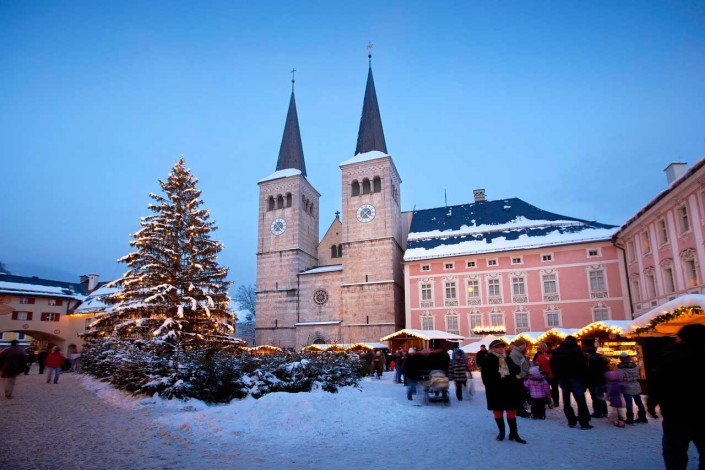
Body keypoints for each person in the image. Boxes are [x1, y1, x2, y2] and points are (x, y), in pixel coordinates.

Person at [648, 323, 705, 469]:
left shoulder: (670, 356)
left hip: (675, 413)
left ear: (682, 338)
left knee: (674, 453)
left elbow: (658, 383)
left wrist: (652, 402)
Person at [480, 339, 526, 444]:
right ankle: (502, 432)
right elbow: (486, 378)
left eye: (502, 347)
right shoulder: (488, 359)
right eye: (498, 347)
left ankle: (514, 433)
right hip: (496, 390)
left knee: (511, 411)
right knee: (498, 411)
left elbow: (516, 369)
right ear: (493, 349)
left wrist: (512, 368)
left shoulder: (507, 358)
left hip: (509, 389)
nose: (501, 349)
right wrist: (498, 380)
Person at [549, 335, 593, 430]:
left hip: (563, 378)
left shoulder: (557, 351)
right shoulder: (577, 350)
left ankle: (571, 421)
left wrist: (558, 376)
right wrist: (584, 380)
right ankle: (584, 422)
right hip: (576, 378)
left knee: (566, 400)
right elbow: (583, 367)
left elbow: (552, 364)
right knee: (580, 400)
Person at [617, 351, 647, 424]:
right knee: (639, 402)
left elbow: (620, 378)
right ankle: (643, 417)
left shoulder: (620, 368)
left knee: (629, 403)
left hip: (626, 386)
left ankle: (630, 418)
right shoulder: (634, 366)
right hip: (635, 385)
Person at [509, 338, 531, 418]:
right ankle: (519, 410)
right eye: (524, 345)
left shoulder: (519, 353)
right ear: (520, 346)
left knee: (522, 394)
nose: (525, 346)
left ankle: (520, 410)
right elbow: (517, 366)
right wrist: (522, 374)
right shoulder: (515, 353)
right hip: (518, 376)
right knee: (521, 394)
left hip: (521, 375)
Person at [586, 347, 609, 418]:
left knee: (594, 397)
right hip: (601, 380)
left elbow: (588, 371)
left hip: (592, 380)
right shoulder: (601, 358)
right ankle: (604, 412)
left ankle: (597, 412)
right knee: (600, 396)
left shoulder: (589, 360)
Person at [533, 342, 558, 407]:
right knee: (549, 388)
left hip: (550, 374)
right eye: (542, 349)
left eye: (543, 348)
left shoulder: (550, 354)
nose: (543, 350)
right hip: (548, 374)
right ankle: (551, 400)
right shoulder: (539, 354)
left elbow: (555, 361)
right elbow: (534, 362)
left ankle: (554, 401)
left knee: (552, 388)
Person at [605, 363, 625, 428]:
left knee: (614, 410)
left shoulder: (610, 385)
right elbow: (623, 389)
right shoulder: (619, 384)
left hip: (613, 399)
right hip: (619, 399)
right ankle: (621, 420)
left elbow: (609, 392)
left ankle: (616, 420)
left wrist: (607, 396)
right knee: (619, 410)